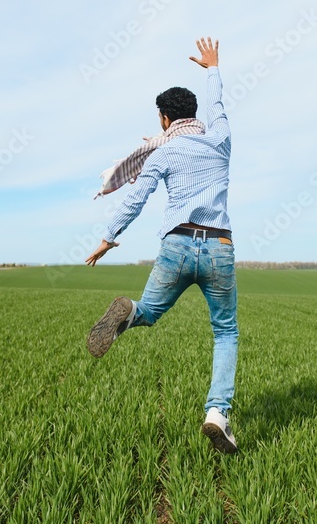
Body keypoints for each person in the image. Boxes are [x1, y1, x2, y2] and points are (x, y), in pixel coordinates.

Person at [84, 37, 239, 454]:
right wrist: (212, 69)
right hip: (219, 246)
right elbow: (219, 108)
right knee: (225, 331)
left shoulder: (163, 153)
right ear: (193, 116)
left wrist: (108, 238)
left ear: (165, 119)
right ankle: (216, 415)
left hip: (177, 245)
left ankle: (129, 311)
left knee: (150, 312)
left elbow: (136, 198)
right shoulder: (220, 139)